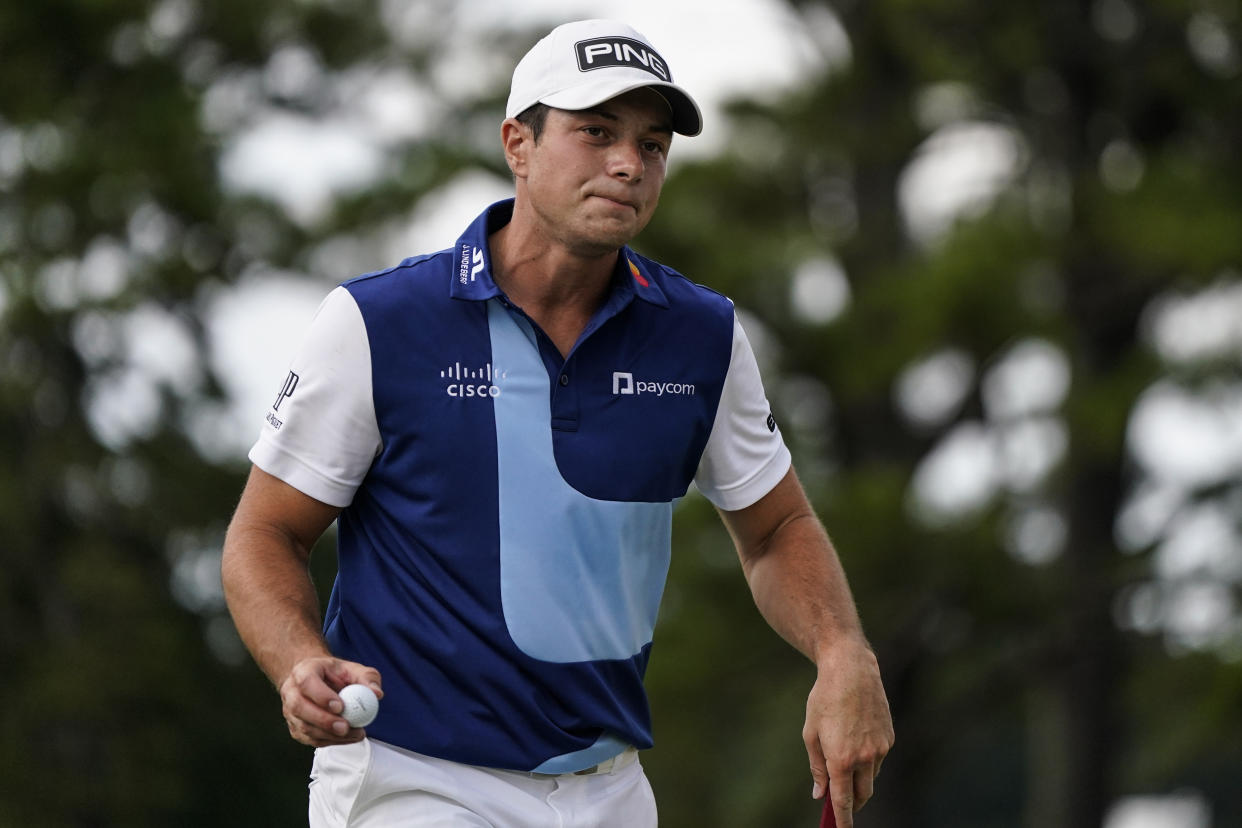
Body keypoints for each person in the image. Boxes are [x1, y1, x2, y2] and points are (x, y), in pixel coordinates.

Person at [221, 18, 893, 828]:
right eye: (596, 132)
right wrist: (300, 662)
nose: (627, 163)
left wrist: (841, 650)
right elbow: (263, 533)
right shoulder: (378, 322)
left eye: (651, 145)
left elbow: (776, 526)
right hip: (411, 779)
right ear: (519, 144)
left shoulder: (702, 335)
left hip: (609, 789)